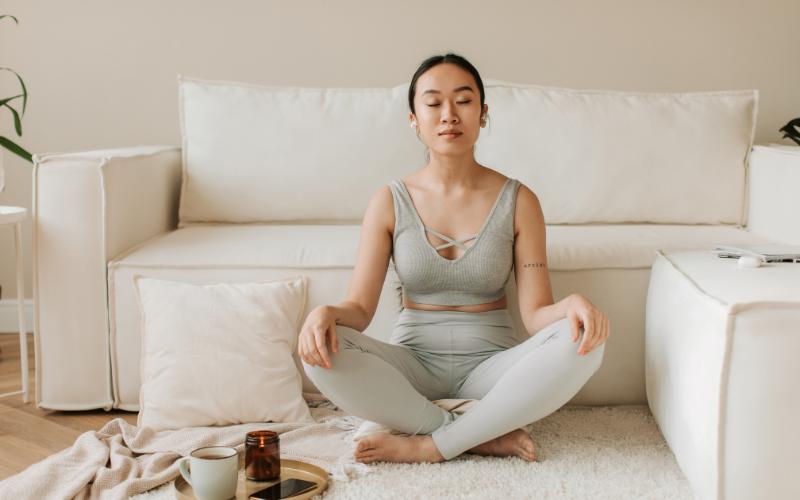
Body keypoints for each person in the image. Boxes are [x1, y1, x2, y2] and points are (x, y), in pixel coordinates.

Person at [298, 53, 609, 464]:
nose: (449, 115)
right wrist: (326, 313)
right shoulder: (388, 201)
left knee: (586, 342)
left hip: (492, 372)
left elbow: (535, 314)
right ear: (414, 119)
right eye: (433, 103)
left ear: (483, 114)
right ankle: (475, 436)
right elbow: (359, 308)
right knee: (319, 352)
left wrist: (570, 306)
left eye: (463, 101)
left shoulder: (520, 200)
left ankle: (430, 444)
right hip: (411, 369)